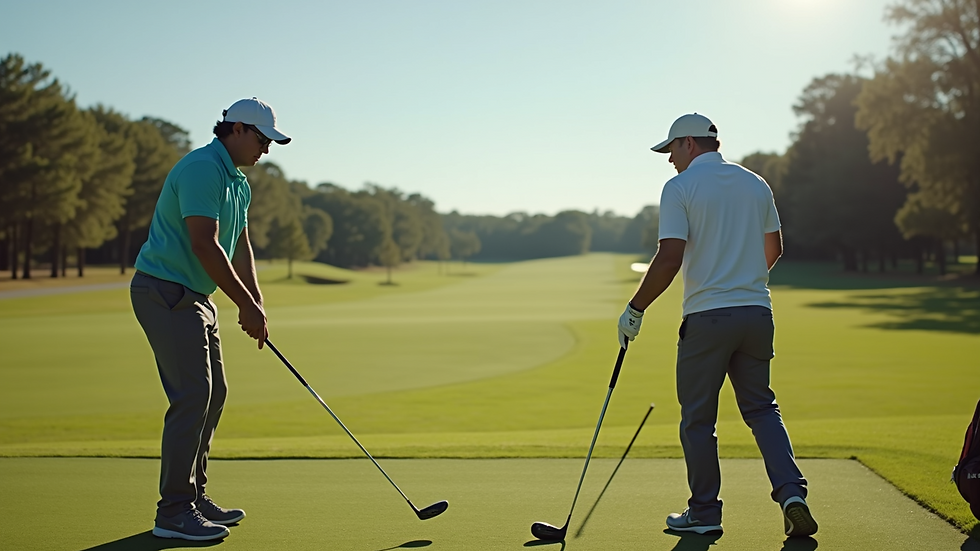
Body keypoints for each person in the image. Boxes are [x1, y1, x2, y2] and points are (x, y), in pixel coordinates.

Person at [617, 113, 818, 538]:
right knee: (762, 409)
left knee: (697, 420)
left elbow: (670, 257)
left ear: (689, 143)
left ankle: (705, 512)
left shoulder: (680, 187)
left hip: (707, 319)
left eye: (671, 149)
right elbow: (774, 247)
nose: (669, 159)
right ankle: (792, 494)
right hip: (756, 315)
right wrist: (742, 280)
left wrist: (635, 308)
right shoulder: (755, 182)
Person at [130, 97, 291, 541]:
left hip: (195, 296)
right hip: (164, 290)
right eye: (261, 139)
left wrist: (255, 300)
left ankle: (194, 496)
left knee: (214, 393)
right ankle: (174, 512)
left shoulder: (238, 182)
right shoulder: (203, 168)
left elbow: (239, 246)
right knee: (192, 397)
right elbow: (205, 244)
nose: (265, 149)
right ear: (235, 129)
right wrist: (243, 305)